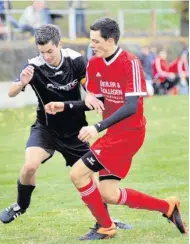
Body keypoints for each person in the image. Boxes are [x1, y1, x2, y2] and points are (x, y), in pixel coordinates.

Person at [45, 18, 188, 240]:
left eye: (96, 41)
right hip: (113, 134)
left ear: (110, 40)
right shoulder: (95, 63)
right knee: (108, 194)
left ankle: (105, 227)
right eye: (90, 40)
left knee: (78, 173)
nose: (91, 45)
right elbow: (97, 101)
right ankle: (168, 207)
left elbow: (131, 107)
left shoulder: (129, 62)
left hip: (129, 135)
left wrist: (96, 127)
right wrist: (64, 106)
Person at [0, 24, 131, 231]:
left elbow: (90, 88)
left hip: (75, 132)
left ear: (59, 44)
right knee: (29, 166)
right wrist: (21, 83)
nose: (46, 56)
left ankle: (106, 220)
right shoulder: (34, 66)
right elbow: (11, 92)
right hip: (46, 129)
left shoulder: (76, 60)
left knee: (91, 179)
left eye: (50, 51)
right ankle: (20, 205)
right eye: (42, 52)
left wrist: (90, 94)